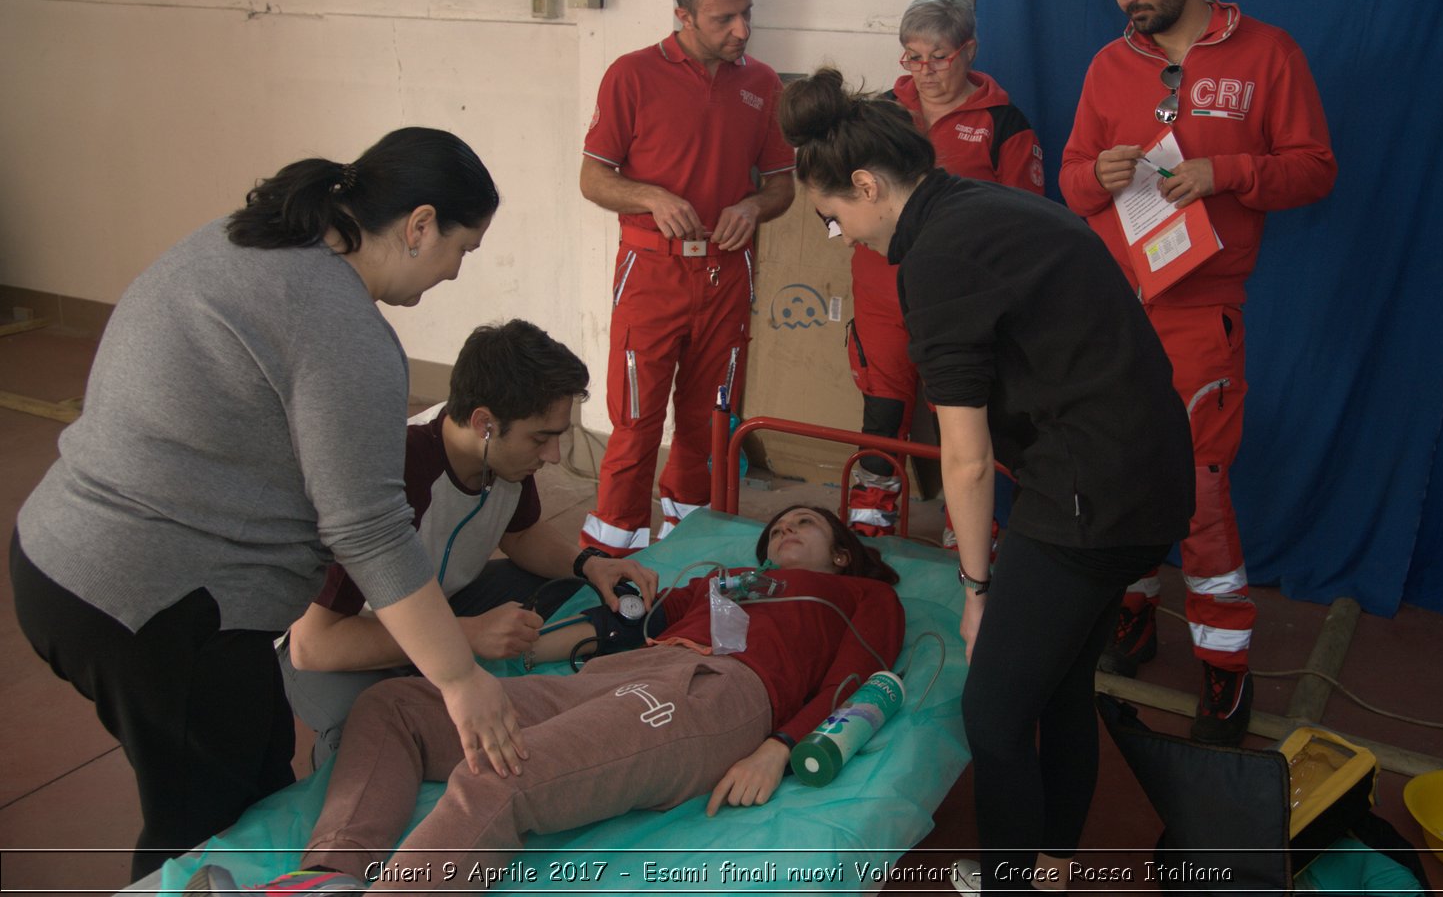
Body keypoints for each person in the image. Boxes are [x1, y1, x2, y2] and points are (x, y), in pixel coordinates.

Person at [9, 128, 526, 881]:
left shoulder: (245, 241)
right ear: (419, 226)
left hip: (62, 557)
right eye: (461, 249)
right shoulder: (341, 326)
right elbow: (370, 530)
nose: (454, 272)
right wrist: (460, 680)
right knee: (201, 838)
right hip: (154, 602)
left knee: (259, 790)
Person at [779, 68, 1192, 894]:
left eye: (834, 218)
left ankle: (1007, 884)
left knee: (995, 714)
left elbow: (963, 459)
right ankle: (1050, 866)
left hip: (1087, 497)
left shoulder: (935, 260)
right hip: (1144, 479)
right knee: (1061, 681)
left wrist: (976, 591)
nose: (842, 236)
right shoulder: (985, 209)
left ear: (866, 185)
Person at [187, 505, 903, 894]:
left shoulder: (859, 595)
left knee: (502, 778)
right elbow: (623, 624)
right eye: (775, 527)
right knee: (397, 706)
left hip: (713, 697)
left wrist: (781, 746)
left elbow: (860, 678)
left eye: (803, 525)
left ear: (841, 551)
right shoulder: (723, 580)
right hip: (622, 676)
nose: (783, 531)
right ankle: (325, 878)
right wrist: (534, 644)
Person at [1060, 0, 1337, 744]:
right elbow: (1068, 184)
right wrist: (1099, 175)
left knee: (1199, 494)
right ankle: (1134, 613)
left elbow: (1315, 170)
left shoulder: (1268, 54)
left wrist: (1226, 174)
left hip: (1199, 313)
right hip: (1113, 316)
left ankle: (1224, 669)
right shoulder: (1109, 65)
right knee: (1117, 480)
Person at [279, 320, 659, 766]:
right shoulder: (390, 476)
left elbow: (519, 534)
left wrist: (589, 565)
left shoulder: (502, 458)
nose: (553, 456)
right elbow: (313, 644)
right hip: (344, 637)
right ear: (484, 424)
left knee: (565, 590)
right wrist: (465, 637)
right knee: (367, 731)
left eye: (559, 436)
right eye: (541, 438)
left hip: (442, 603)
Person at [578, 0, 796, 551]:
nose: (742, 30)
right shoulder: (631, 74)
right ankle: (611, 555)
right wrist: (651, 197)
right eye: (724, 18)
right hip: (651, 276)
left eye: (746, 13)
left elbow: (782, 187)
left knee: (708, 423)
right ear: (684, 14)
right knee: (637, 425)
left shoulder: (764, 84)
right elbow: (593, 178)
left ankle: (688, 545)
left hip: (728, 278)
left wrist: (752, 206)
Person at [845, 0, 1047, 541]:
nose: (925, 70)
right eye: (912, 55)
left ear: (970, 50)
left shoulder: (1005, 122)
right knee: (882, 416)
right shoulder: (881, 111)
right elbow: (836, 186)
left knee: (964, 421)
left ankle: (969, 534)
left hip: (960, 306)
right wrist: (842, 227)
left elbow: (1028, 222)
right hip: (881, 296)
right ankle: (867, 532)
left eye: (939, 56)